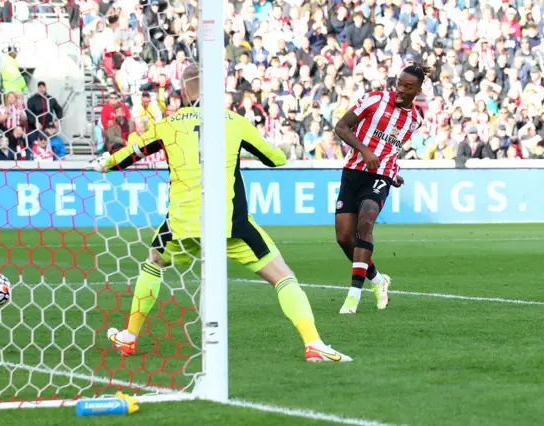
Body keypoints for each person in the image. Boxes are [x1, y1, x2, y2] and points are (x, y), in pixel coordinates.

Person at [89, 64, 351, 363]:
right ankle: (313, 343)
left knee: (154, 263)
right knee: (283, 276)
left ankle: (129, 337)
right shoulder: (234, 122)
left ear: (184, 91)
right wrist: (281, 147)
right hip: (229, 221)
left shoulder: (169, 124)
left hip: (183, 221)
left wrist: (104, 163)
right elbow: (275, 159)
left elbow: (130, 154)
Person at [333, 64, 427, 315]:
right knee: (344, 238)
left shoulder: (415, 120)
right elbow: (341, 127)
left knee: (366, 220)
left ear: (418, 90)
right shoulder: (374, 100)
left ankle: (353, 296)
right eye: (399, 83)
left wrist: (393, 173)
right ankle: (377, 279)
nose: (401, 90)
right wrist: (364, 150)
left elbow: (391, 151)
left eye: (408, 87)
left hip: (380, 176)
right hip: (353, 171)